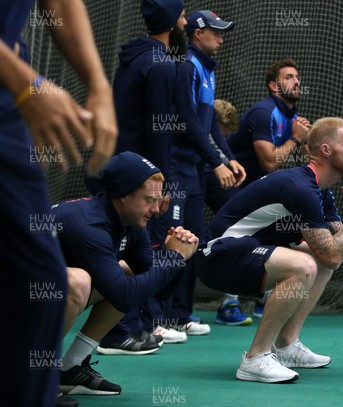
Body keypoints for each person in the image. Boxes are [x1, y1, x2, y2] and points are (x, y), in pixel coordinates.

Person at [192, 117, 343, 383]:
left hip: (247, 252)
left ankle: (286, 346)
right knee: (305, 265)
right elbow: (335, 254)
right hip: (217, 258)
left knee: (319, 261)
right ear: (326, 150)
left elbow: (338, 251)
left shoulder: (320, 191)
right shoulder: (300, 187)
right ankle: (254, 359)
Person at [0, 0, 117, 406]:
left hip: (8, 108)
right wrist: (25, 81)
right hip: (15, 86)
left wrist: (99, 86)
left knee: (47, 285)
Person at [55, 152, 199, 396]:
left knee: (125, 271)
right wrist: (174, 258)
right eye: (149, 200)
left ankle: (70, 368)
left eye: (158, 199)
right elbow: (123, 296)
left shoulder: (129, 223)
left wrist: (180, 259)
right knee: (76, 282)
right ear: (123, 195)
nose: (156, 209)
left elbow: (160, 291)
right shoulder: (88, 223)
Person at [104, 0, 190, 349]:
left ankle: (132, 325)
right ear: (172, 22)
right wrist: (161, 183)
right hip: (137, 176)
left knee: (130, 248)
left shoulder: (133, 59)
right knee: (131, 251)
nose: (186, 20)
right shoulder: (161, 64)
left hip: (122, 169)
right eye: (183, 15)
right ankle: (121, 330)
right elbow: (159, 129)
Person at [164, 9, 246, 336]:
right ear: (198, 33)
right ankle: (159, 317)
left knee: (194, 239)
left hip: (194, 169)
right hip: (175, 167)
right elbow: (188, 124)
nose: (221, 37)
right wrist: (216, 163)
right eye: (216, 31)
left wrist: (228, 157)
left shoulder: (208, 70)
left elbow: (209, 121)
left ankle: (181, 314)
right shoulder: (188, 66)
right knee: (173, 239)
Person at [213, 59, 312, 326]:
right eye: (289, 77)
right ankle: (228, 303)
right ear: (273, 85)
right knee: (238, 237)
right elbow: (269, 161)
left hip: (263, 190)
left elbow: (307, 157)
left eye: (297, 76)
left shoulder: (293, 118)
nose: (297, 81)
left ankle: (264, 299)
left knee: (280, 232)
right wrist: (294, 138)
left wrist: (304, 140)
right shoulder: (263, 112)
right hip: (231, 185)